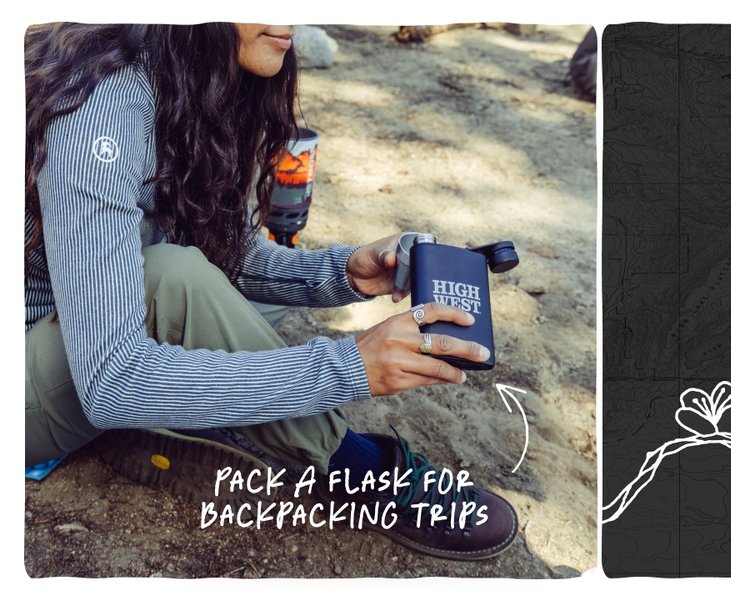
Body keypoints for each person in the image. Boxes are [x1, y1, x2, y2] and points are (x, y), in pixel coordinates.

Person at [24, 22, 517, 561]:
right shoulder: (104, 108)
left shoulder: (188, 74)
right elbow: (112, 381)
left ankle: (186, 405)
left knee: (237, 283)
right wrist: (348, 367)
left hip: (83, 323)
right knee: (173, 277)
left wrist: (346, 273)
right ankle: (356, 468)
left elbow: (226, 253)